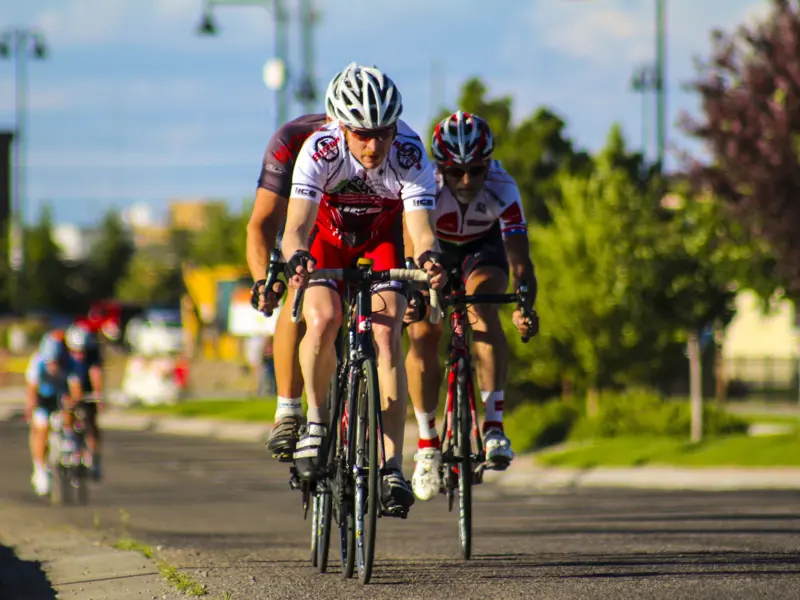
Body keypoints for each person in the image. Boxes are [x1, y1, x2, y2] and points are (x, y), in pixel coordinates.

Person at [281, 63, 447, 515]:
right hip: (327, 242)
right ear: (341, 127)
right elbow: (296, 226)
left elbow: (421, 229)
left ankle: (390, 466)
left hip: (381, 241)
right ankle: (316, 424)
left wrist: (429, 258)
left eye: (383, 133)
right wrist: (296, 257)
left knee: (385, 336)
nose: (374, 146)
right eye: (361, 135)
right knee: (323, 318)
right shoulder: (321, 148)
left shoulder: (409, 152)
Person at [405, 111, 539, 502]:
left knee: (482, 307)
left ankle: (494, 425)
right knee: (424, 332)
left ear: (488, 164)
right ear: (440, 166)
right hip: (433, 251)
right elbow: (413, 243)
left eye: (476, 170)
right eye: (455, 171)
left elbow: (519, 261)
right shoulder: (425, 183)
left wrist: (524, 304)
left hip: (483, 251)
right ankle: (428, 443)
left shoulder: (502, 186)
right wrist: (416, 295)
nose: (466, 181)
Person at [246, 68, 349, 461]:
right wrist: (261, 280)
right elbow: (262, 223)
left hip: (356, 229)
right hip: (305, 231)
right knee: (297, 289)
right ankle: (288, 410)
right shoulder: (291, 142)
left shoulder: (376, 143)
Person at [24, 331, 82, 496]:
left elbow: (75, 388)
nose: (53, 366)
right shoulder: (37, 362)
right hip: (43, 398)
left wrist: (73, 402)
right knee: (41, 427)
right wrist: (31, 407)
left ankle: (70, 439)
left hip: (61, 397)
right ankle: (40, 469)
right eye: (50, 362)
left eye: (55, 362)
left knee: (70, 411)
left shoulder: (70, 362)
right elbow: (31, 389)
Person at [64, 323, 105, 480]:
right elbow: (69, 379)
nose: (80, 355)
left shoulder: (93, 352)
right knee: (67, 409)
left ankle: (93, 457)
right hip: (67, 384)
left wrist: (98, 395)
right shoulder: (64, 355)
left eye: (82, 351)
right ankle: (69, 439)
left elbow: (95, 373)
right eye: (76, 351)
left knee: (91, 422)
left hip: (86, 386)